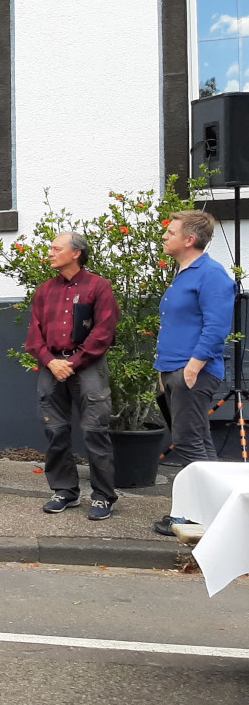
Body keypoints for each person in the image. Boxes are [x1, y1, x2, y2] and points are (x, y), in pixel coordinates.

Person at [25, 232, 120, 520]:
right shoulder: (44, 291)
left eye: (56, 248)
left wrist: (74, 361)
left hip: (88, 366)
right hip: (51, 366)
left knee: (95, 431)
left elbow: (104, 331)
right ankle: (64, 491)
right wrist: (51, 362)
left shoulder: (98, 287)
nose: (50, 253)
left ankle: (103, 496)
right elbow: (34, 335)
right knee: (55, 430)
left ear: (76, 253)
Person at [153, 210, 237, 536]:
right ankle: (222, 512)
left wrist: (192, 367)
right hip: (175, 370)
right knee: (199, 442)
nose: (164, 236)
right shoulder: (183, 273)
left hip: (193, 373)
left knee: (188, 444)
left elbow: (217, 327)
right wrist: (165, 369)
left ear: (189, 240)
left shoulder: (211, 274)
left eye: (171, 232)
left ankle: (196, 516)